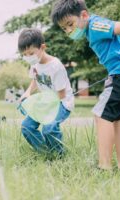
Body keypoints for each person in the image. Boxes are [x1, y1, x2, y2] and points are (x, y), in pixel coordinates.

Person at [51, 0, 120, 170]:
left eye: (70, 24)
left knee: (102, 116)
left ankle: (104, 167)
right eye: (64, 28)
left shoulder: (95, 25)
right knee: (119, 120)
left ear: (84, 15)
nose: (68, 31)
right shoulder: (91, 29)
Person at [18, 28, 74, 156]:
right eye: (24, 54)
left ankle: (59, 155)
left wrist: (36, 103)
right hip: (47, 101)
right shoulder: (35, 64)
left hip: (62, 103)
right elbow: (35, 80)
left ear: (42, 47)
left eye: (31, 53)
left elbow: (61, 95)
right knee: (27, 127)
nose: (28, 57)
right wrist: (28, 93)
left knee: (48, 129)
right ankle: (45, 153)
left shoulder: (56, 66)